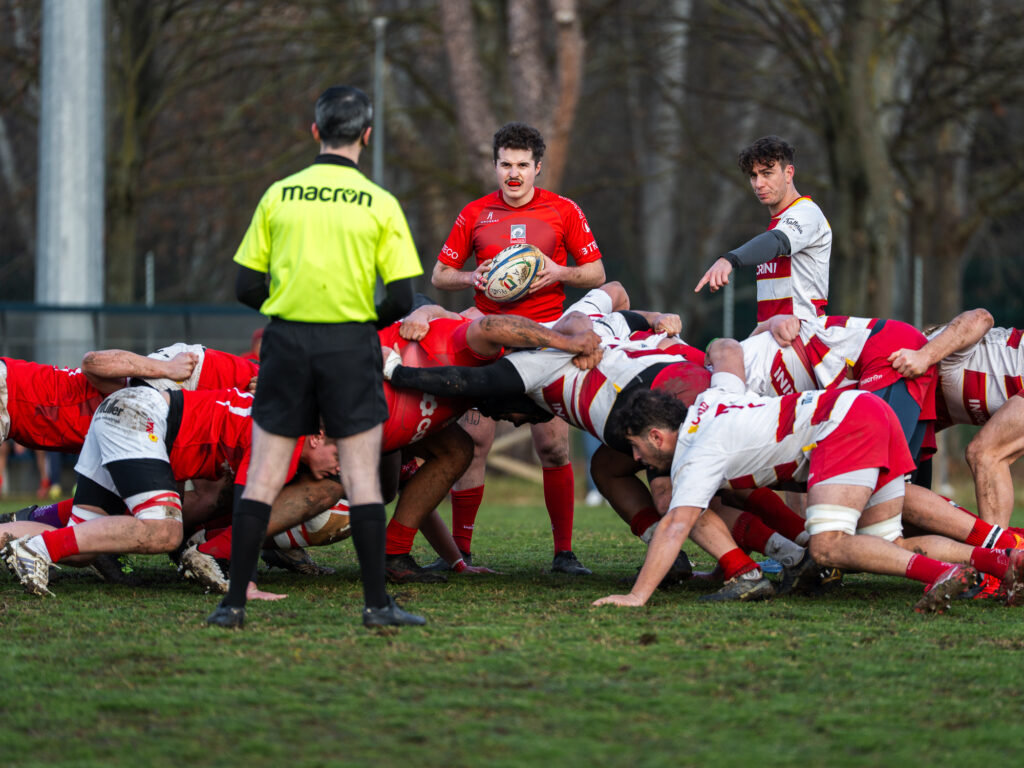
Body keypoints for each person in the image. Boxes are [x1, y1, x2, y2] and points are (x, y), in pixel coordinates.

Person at [592, 340, 1024, 613]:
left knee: (830, 548)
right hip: (867, 409)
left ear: (656, 435)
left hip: (845, 422)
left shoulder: (693, 452)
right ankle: (1003, 563)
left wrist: (636, 596)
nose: (637, 458)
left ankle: (940, 574)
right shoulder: (712, 396)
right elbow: (725, 348)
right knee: (887, 544)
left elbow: (675, 525)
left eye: (635, 447)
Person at [215, 85, 424, 630]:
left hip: (286, 343)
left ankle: (232, 604)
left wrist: (287, 309)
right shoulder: (380, 203)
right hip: (349, 344)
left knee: (261, 474)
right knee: (360, 477)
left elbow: (244, 287)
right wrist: (356, 319)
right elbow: (402, 299)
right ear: (366, 136)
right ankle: (377, 606)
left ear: (316, 132)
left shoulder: (279, 194)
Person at [431, 122, 606, 576]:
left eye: (522, 166)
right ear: (494, 166)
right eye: (505, 165)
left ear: (537, 168)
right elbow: (439, 276)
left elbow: (597, 273)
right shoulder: (474, 214)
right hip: (490, 338)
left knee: (552, 446)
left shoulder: (563, 210)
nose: (513, 174)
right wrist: (472, 277)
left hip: (546, 337)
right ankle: (461, 553)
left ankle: (563, 555)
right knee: (474, 443)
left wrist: (558, 272)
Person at [888, 309, 1024, 528]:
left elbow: (982, 317)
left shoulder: (930, 354)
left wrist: (924, 356)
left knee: (986, 454)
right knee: (907, 505)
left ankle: (995, 557)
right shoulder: (924, 405)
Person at [695, 136, 832, 323]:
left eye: (767, 173)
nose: (758, 184)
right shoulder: (777, 223)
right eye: (753, 175)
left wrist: (730, 259)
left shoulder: (807, 213)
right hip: (770, 336)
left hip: (803, 335)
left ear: (789, 173)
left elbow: (777, 241)